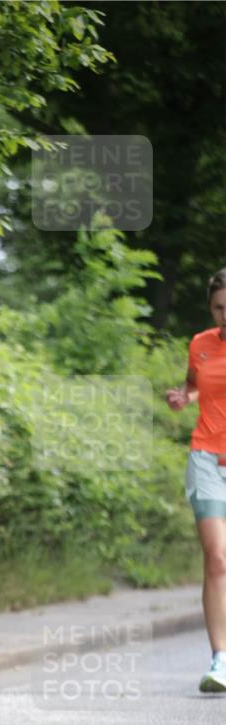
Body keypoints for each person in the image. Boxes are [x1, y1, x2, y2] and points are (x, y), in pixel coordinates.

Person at [166, 266, 226, 692]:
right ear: (211, 308)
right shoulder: (200, 345)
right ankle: (220, 658)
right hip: (206, 457)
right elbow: (194, 384)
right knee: (217, 557)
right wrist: (183, 396)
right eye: (221, 308)